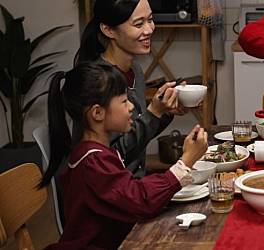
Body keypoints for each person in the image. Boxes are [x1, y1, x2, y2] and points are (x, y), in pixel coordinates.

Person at [40, 63, 208, 249]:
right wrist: (185, 162)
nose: (131, 107)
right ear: (97, 113)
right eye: (124, 101)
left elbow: (128, 191)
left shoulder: (95, 152)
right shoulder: (93, 162)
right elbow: (140, 200)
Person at [76, 0, 187, 177]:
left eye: (150, 20)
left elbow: (136, 133)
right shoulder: (99, 81)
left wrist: (165, 111)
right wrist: (154, 112)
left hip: (134, 182)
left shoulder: (134, 69)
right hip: (114, 190)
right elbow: (114, 155)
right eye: (138, 24)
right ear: (108, 30)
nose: (149, 29)